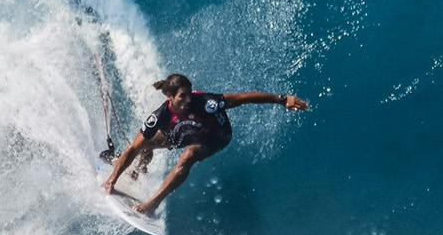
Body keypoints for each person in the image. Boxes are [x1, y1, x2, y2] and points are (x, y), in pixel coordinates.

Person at [102, 73, 308, 214]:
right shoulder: (160, 117)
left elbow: (243, 98)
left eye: (189, 94)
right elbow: (134, 147)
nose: (188, 99)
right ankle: (136, 171)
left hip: (216, 135)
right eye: (183, 96)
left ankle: (153, 203)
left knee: (188, 157)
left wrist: (282, 99)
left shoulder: (207, 103)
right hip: (183, 132)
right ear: (169, 97)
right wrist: (112, 180)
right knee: (145, 145)